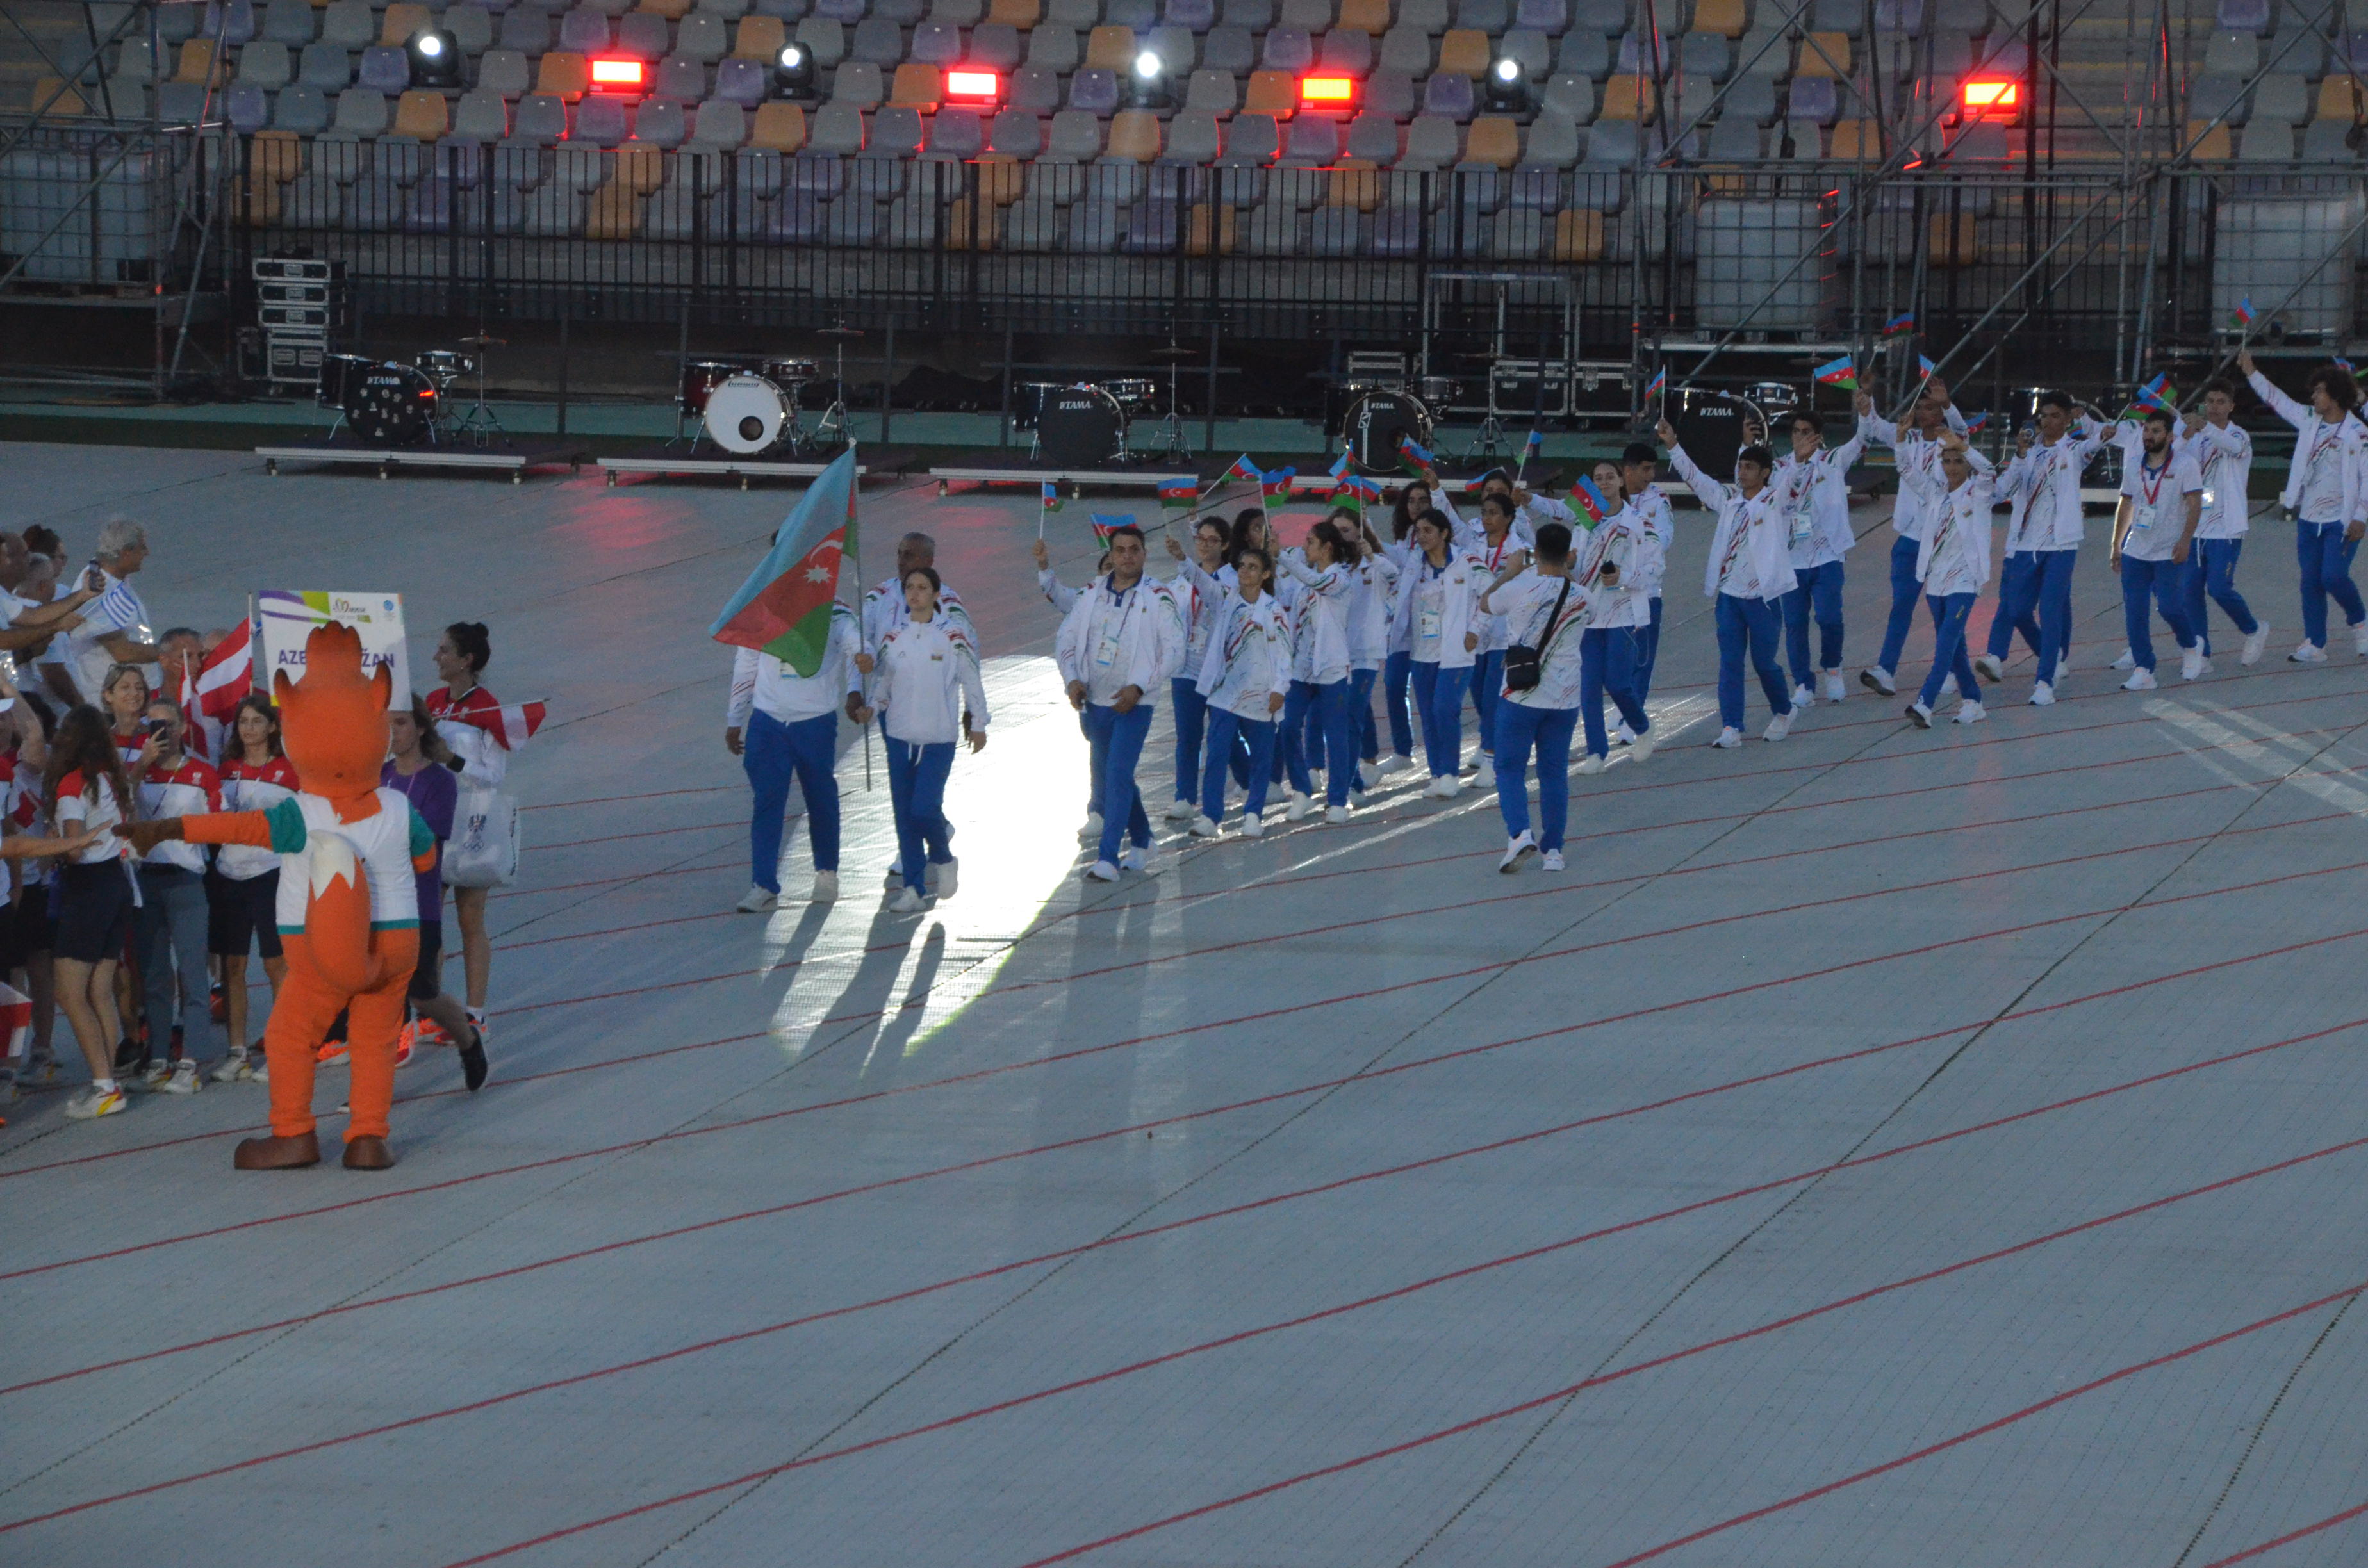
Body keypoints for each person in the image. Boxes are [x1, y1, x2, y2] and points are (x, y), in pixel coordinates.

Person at [1659, 420, 1795, 746]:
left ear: (1765, 473)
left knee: (1764, 664)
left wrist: (1802, 458)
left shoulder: (1775, 503)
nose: (1742, 472)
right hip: (1730, 597)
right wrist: (1673, 445)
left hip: (1762, 599)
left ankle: (1784, 710)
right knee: (1730, 662)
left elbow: (1793, 482)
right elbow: (1696, 479)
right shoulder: (1729, 500)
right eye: (1740, 466)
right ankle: (1731, 726)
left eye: (1750, 467)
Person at [724, 600, 864, 912]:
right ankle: (763, 885)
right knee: (767, 802)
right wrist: (735, 718)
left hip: (814, 721)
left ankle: (827, 871)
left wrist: (856, 688)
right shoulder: (762, 608)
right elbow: (747, 661)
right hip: (768, 721)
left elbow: (856, 647)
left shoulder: (834, 610)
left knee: (820, 799)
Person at [1055, 525, 1178, 881]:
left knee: (1118, 775)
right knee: (1115, 775)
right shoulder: (1092, 593)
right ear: (1111, 555)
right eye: (1120, 550)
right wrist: (1072, 679)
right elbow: (1066, 636)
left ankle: (1108, 857)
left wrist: (1140, 687)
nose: (1127, 556)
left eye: (1134, 550)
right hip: (1095, 702)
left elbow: (1174, 649)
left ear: (1144, 553)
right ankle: (1142, 839)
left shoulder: (1158, 596)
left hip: (1133, 704)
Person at [868, 567, 989, 913]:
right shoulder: (893, 638)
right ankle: (913, 890)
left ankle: (942, 857)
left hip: (938, 738)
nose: (916, 594)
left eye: (923, 588)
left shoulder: (953, 637)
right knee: (905, 816)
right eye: (910, 588)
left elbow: (971, 679)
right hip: (899, 737)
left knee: (924, 808)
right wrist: (871, 707)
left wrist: (978, 721)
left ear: (937, 594)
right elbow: (883, 685)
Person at [384, 694, 489, 1086]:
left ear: (422, 728)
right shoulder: (379, 775)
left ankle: (466, 1037)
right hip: (378, 904)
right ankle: (370, 1089)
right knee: (378, 994)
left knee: (423, 993)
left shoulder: (439, 781)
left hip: (418, 902)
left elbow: (428, 840)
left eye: (400, 723)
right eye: (387, 724)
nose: (392, 732)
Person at [2241, 349, 2368, 662]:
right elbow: (2278, 400)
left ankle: (2361, 624)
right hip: (2309, 517)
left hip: (2342, 519)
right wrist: (2251, 372)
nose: (2313, 396)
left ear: (2336, 395)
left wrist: (2361, 516)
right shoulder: (2309, 420)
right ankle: (2315, 643)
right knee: (2310, 581)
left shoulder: (2358, 432)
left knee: (2333, 577)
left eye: (2319, 391)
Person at [1480, 522, 1591, 873]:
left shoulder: (1520, 586)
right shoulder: (1583, 595)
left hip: (1522, 694)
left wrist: (1509, 573)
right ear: (1569, 554)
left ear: (1536, 552)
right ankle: (1553, 850)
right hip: (1565, 696)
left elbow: (1486, 604)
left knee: (1509, 767)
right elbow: (1593, 615)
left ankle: (1519, 834)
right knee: (1554, 771)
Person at [1980, 391, 2106, 702]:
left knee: (2051, 611)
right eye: (2044, 416)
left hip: (2061, 545)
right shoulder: (2028, 454)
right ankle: (2053, 660)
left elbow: (2097, 440)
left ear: (2065, 419)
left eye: (2054, 416)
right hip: (2025, 544)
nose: (2047, 421)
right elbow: (2002, 490)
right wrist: (2018, 458)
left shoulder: (2074, 451)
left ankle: (2044, 682)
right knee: (2018, 610)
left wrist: (2087, 420)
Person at [49, 706, 141, 1120]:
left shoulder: (73, 784)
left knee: (70, 993)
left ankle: (103, 1086)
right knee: (99, 990)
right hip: (116, 882)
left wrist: (48, 842)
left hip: (87, 888)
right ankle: (110, 1082)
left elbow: (73, 847)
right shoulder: (112, 778)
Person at [131, 698, 222, 1093]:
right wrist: (139, 765)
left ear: (183, 728)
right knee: (154, 976)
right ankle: (160, 1057)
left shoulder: (203, 773)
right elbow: (114, 802)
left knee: (191, 971)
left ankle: (192, 1060)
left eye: (167, 725)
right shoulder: (137, 771)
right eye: (153, 725)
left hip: (186, 880)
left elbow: (219, 826)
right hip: (146, 880)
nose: (161, 732)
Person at [424, 621, 504, 1045]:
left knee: (470, 920)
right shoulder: (434, 702)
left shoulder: (488, 707)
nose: (436, 657)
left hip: (472, 823)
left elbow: (494, 776)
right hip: (434, 820)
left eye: (443, 650)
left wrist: (451, 760)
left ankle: (475, 1014)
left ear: (466, 660)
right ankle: (433, 1007)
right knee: (430, 923)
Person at [208, 692, 295, 1082]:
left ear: (273, 726)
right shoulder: (225, 770)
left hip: (271, 873)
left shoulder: (289, 770)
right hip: (229, 876)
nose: (249, 729)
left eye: (257, 721)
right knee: (233, 966)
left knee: (276, 963)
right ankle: (238, 1051)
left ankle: (283, 1050)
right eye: (243, 722)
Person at [1854, 386, 1957, 696]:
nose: (1920, 412)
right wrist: (1866, 401)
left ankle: (1951, 669)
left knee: (1941, 607)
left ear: (1940, 414)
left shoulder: (1952, 445)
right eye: (1920, 406)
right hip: (1910, 539)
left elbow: (1962, 429)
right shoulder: (1907, 438)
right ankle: (1886, 670)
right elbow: (1874, 425)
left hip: (1941, 539)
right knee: (1901, 605)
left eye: (1928, 407)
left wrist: (1949, 404)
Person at [1190, 544, 1291, 837]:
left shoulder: (1273, 610)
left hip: (1261, 694)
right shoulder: (1226, 600)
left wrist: (1280, 688)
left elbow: (1285, 653)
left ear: (1265, 574)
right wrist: (1183, 560)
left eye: (1252, 567)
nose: (1244, 571)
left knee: (1261, 758)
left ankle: (1253, 814)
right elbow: (1202, 582)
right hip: (1226, 692)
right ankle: (1211, 816)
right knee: (1217, 752)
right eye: (1242, 566)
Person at [1768, 407, 1865, 706]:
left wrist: (1864, 413)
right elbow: (1772, 500)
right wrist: (1795, 464)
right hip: (1793, 558)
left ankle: (1833, 668)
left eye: (1806, 432)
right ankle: (1803, 683)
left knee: (1828, 617)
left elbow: (1861, 440)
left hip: (1827, 555)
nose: (1800, 437)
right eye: (1795, 431)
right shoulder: (1779, 467)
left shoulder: (1832, 461)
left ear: (1818, 436)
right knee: (1795, 624)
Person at [1898, 431, 1995, 726]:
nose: (1952, 467)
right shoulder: (1936, 493)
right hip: (1936, 581)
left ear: (1967, 465)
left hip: (1965, 582)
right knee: (1955, 649)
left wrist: (1966, 447)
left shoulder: (1978, 493)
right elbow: (1905, 469)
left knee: (1945, 643)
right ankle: (1974, 701)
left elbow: (1990, 470)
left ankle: (1925, 703)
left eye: (1958, 462)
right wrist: (1901, 440)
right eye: (1947, 461)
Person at [1388, 511, 1486, 796]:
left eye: (1428, 530)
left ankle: (1451, 774)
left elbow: (1490, 593)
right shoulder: (1412, 566)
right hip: (1422, 652)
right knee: (1429, 716)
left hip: (1456, 651)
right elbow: (1398, 598)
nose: (1421, 536)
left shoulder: (1468, 561)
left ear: (1444, 533)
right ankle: (1437, 775)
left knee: (1445, 709)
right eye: (1418, 531)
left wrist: (1476, 630)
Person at [2110, 407, 2207, 689]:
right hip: (2136, 550)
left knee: (2169, 606)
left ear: (2169, 435)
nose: (2149, 436)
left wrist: (2186, 540)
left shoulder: (2185, 465)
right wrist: (2116, 544)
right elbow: (2126, 504)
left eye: (2155, 431)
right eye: (2146, 431)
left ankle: (2191, 645)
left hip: (2169, 550)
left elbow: (2195, 505)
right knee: (2135, 611)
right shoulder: (2134, 465)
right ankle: (2144, 668)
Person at [1274, 519, 1362, 824]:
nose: (1304, 547)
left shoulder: (1340, 577)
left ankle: (1338, 799)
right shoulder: (1304, 579)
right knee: (1287, 725)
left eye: (1310, 542)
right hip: (1301, 667)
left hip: (1332, 666)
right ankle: (1302, 790)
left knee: (1336, 735)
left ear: (1327, 547)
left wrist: (1285, 559)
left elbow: (1320, 584)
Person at [2178, 379, 2272, 665]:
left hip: (2227, 526)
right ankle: (2201, 653)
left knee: (2218, 587)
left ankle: (2254, 629)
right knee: (2190, 589)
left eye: (2220, 402)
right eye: (2209, 402)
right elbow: (2176, 460)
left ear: (2231, 406)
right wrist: (2184, 434)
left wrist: (2204, 427)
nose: (2214, 407)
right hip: (2196, 524)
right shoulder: (2195, 437)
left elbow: (2232, 448)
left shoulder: (2240, 435)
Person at [1573, 462, 1658, 767]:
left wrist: (1623, 576)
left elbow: (1654, 569)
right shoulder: (1584, 522)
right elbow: (1573, 562)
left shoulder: (1638, 522)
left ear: (1622, 480)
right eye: (1598, 478)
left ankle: (1643, 728)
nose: (1605, 482)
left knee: (1618, 683)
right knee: (1589, 687)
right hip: (1590, 615)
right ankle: (1597, 751)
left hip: (1623, 614)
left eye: (1610, 477)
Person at [1160, 518, 1231, 822]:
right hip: (1186, 669)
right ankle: (1184, 797)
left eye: (1212, 540)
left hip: (1219, 671)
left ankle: (1227, 792)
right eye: (1200, 538)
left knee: (1220, 740)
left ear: (1225, 545)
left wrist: (1183, 561)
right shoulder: (1179, 582)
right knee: (1187, 737)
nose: (1204, 544)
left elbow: (1212, 594)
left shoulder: (1232, 579)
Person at [51, 517, 164, 709]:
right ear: (126, 553)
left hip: (132, 694)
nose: (147, 553)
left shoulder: (116, 578)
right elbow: (122, 652)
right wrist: (166, 655)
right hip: (111, 704)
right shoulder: (98, 590)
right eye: (142, 548)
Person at [1615, 443, 1674, 734]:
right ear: (1628, 471)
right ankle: (1624, 708)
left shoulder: (1658, 501)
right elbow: (1569, 513)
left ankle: (1634, 719)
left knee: (1641, 660)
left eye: (1653, 468)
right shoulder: (1609, 496)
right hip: (1612, 593)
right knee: (1617, 659)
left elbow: (1662, 541)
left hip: (1646, 591)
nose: (1652, 475)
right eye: (1646, 469)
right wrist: (1533, 501)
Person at [1380, 480, 1435, 770]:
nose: (1416, 506)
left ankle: (1438, 756)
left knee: (1429, 695)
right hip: (1402, 626)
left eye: (1423, 500)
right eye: (1411, 501)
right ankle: (1403, 751)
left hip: (1430, 626)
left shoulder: (1440, 540)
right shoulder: (1404, 539)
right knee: (1393, 685)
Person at [862, 531, 974, 651]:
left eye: (908, 556)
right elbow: (860, 641)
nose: (901, 562)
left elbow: (966, 649)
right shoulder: (878, 597)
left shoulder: (949, 603)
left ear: (929, 561)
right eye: (900, 554)